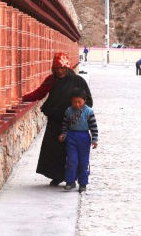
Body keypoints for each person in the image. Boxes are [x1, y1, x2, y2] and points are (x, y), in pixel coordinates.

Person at [21, 52, 92, 186]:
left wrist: (79, 115)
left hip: (74, 123)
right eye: (56, 68)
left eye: (62, 68)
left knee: (72, 152)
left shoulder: (78, 81)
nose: (59, 71)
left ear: (67, 67)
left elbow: (88, 101)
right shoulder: (51, 80)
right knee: (54, 150)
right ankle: (57, 175)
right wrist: (24, 98)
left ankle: (72, 178)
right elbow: (39, 93)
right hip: (55, 120)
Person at [59, 88, 98, 193]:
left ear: (84, 100)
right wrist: (63, 134)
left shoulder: (89, 112)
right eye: (74, 102)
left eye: (79, 102)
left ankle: (83, 183)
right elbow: (65, 125)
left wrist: (94, 139)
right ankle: (70, 181)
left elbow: (93, 127)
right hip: (71, 137)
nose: (76, 104)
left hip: (84, 138)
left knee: (83, 162)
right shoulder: (68, 111)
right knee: (72, 160)